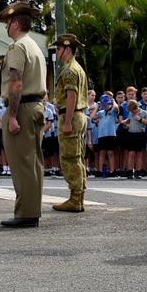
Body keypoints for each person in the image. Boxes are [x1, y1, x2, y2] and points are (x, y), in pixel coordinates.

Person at [0, 0, 47, 228]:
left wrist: (13, 116)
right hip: (35, 106)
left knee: (22, 163)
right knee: (34, 162)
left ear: (15, 23)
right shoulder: (35, 46)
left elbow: (16, 84)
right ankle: (31, 210)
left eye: (8, 22)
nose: (6, 27)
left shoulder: (17, 47)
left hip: (23, 108)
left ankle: (25, 213)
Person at [52, 33, 89, 212]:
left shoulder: (68, 70)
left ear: (67, 49)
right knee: (77, 157)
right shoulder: (77, 68)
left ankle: (75, 199)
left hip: (71, 116)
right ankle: (78, 197)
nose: (57, 52)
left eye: (58, 49)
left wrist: (66, 122)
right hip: (78, 115)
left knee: (69, 158)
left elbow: (71, 96)